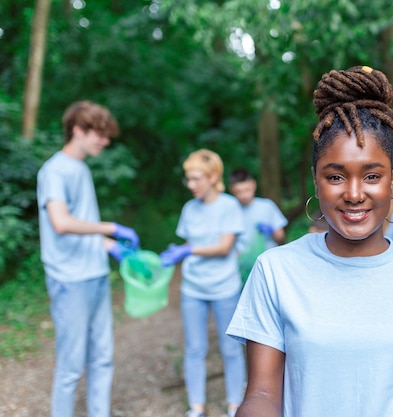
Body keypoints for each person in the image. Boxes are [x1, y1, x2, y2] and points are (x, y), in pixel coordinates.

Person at [226, 66, 393, 417]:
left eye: (371, 176)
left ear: (391, 182)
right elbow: (262, 394)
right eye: (335, 176)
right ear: (316, 181)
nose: (354, 194)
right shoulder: (275, 271)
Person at [36, 100, 140, 417]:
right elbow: (61, 222)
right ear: (78, 131)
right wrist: (111, 226)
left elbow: (81, 222)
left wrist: (109, 245)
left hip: (94, 274)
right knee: (70, 366)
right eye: (100, 135)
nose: (105, 142)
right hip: (70, 280)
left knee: (102, 358)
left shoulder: (80, 168)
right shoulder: (53, 171)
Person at [159, 149, 246, 417]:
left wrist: (188, 251)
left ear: (213, 177)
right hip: (193, 288)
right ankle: (196, 407)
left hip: (224, 287)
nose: (191, 185)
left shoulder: (229, 206)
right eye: (188, 179)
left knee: (231, 347)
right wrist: (180, 251)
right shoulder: (189, 208)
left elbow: (224, 246)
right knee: (195, 348)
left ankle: (235, 405)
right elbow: (189, 243)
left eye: (196, 178)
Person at [227, 167, 288, 281]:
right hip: (239, 268)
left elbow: (281, 237)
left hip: (268, 265)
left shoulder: (267, 206)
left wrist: (271, 230)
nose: (244, 195)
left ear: (253, 184)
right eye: (239, 192)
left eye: (247, 190)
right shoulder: (230, 210)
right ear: (232, 190)